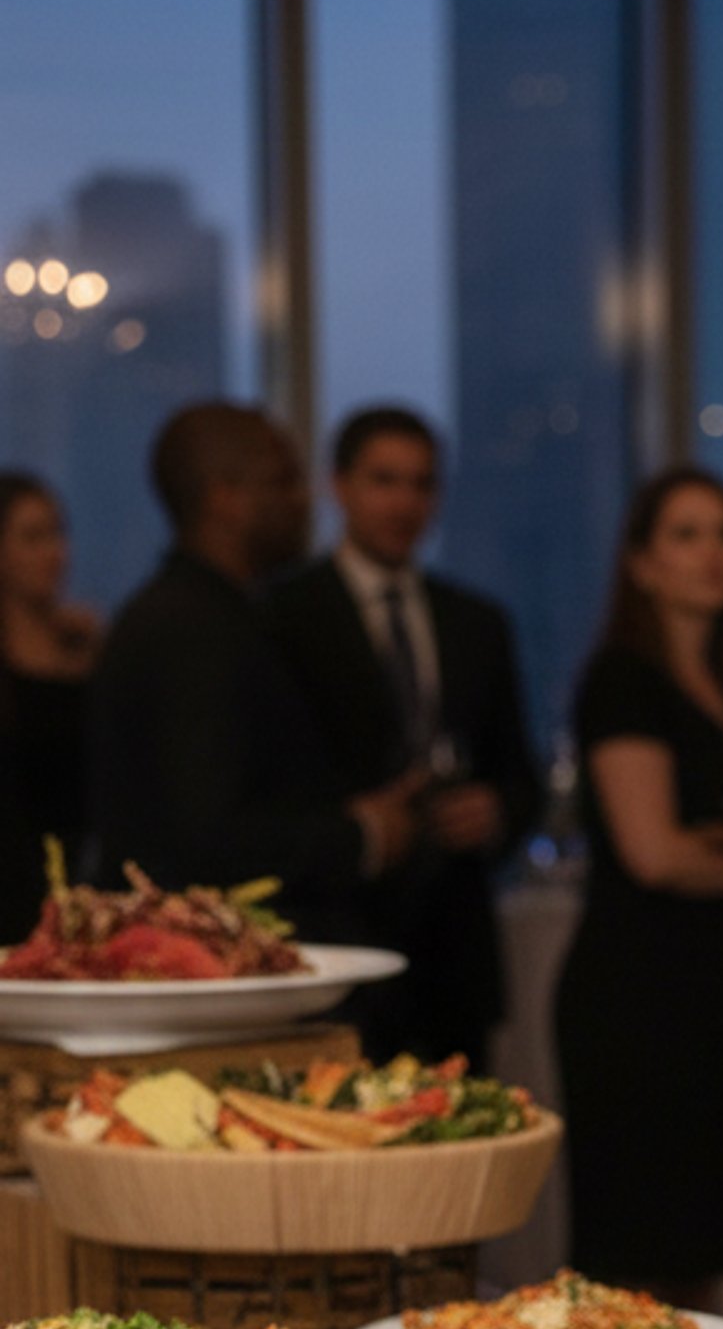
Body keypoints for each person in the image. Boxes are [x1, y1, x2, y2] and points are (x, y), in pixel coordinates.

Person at [554, 467, 723, 1298]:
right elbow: (657, 854)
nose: (714, 553)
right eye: (686, 534)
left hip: (716, 1003)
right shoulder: (624, 677)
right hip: (640, 1005)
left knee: (700, 1261)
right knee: (640, 1262)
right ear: (641, 563)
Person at [270, 406, 540, 1066]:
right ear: (340, 486)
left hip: (453, 949)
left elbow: (520, 773)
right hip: (339, 934)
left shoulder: (475, 621)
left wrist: (497, 810)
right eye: (384, 481)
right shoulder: (283, 614)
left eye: (421, 485)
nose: (404, 503)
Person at [87, 403, 417, 934]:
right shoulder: (191, 627)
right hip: (207, 973)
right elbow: (205, 838)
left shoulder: (213, 612)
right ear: (224, 498)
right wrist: (361, 834)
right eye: (281, 480)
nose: (302, 499)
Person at [0, 472, 96, 946]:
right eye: (33, 537)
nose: (54, 552)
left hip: (87, 878)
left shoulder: (89, 649)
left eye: (58, 533)